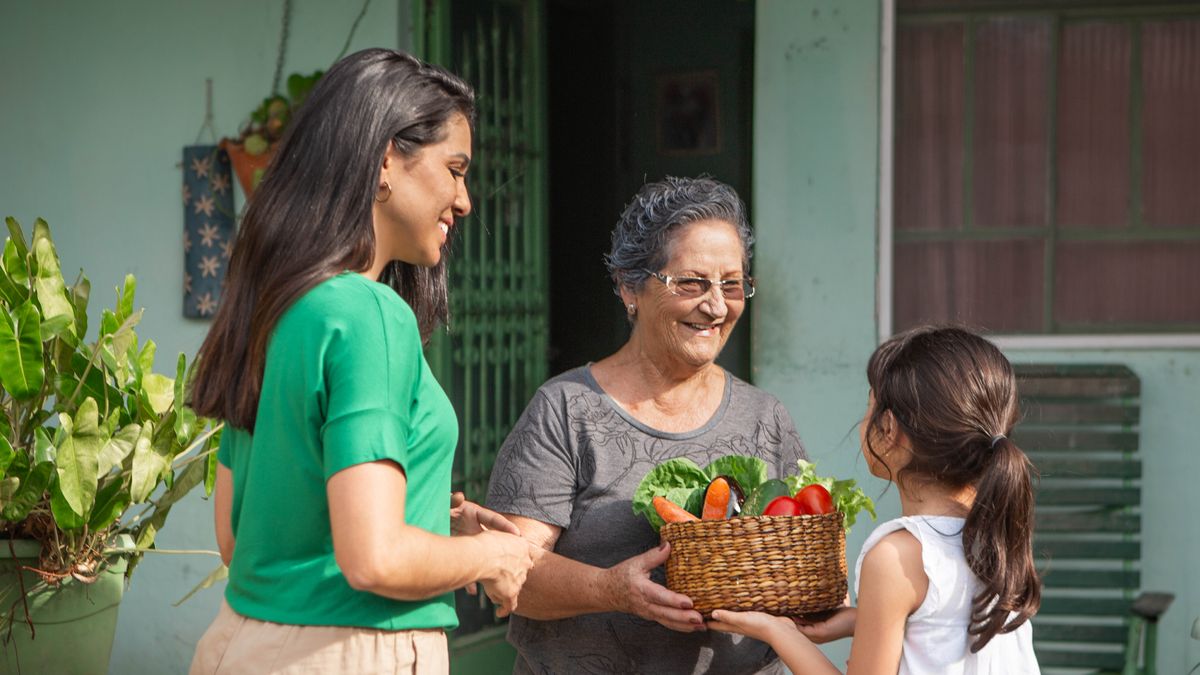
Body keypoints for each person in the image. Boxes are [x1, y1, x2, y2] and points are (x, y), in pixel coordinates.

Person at [187, 48, 535, 674]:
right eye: (454, 170)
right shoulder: (371, 314)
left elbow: (241, 540)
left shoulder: (278, 307)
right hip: (351, 652)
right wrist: (495, 558)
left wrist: (434, 521)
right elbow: (374, 558)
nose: (464, 200)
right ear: (384, 161)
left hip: (240, 644)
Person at [486, 176, 809, 674]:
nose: (716, 306)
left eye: (731, 284)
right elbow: (508, 575)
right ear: (629, 286)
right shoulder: (567, 410)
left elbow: (804, 566)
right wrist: (610, 589)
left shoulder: (766, 419)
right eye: (691, 283)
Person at [708, 326, 1042, 674]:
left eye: (869, 407)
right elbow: (949, 625)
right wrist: (862, 619)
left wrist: (777, 631)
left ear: (889, 428)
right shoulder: (996, 534)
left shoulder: (896, 557)